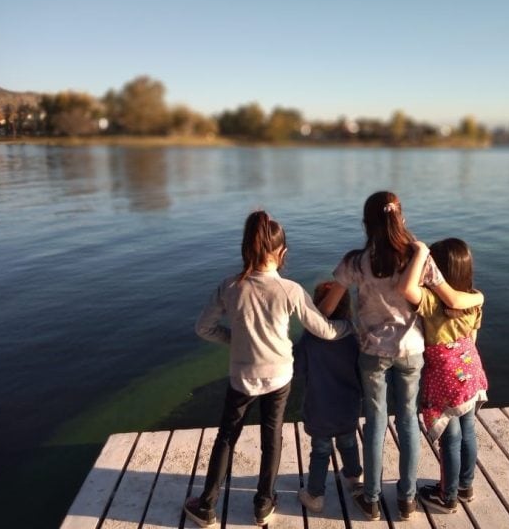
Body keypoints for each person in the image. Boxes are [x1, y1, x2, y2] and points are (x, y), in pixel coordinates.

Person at [318, 191, 485, 521]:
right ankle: (407, 500)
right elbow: (451, 298)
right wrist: (479, 297)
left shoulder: (354, 262)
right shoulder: (418, 259)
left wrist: (331, 322)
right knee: (408, 421)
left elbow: (326, 308)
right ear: (401, 219)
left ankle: (372, 499)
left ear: (367, 224)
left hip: (372, 354)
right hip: (412, 352)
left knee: (377, 424)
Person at [183, 211, 353, 528]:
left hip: (242, 378)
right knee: (271, 438)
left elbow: (203, 329)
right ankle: (263, 503)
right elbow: (324, 331)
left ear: (246, 248)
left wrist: (233, 339)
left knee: (226, 438)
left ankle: (206, 505)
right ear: (282, 253)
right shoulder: (290, 290)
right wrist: (348, 326)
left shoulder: (229, 287)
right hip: (279, 377)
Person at [398, 238, 488, 514]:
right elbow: (473, 335)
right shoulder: (473, 298)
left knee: (451, 437)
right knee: (468, 429)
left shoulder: (431, 300)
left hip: (446, 377)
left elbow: (407, 289)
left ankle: (447, 496)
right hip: (471, 369)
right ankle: (465, 485)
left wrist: (419, 256)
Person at [294, 282, 363, 513]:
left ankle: (315, 495)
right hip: (348, 406)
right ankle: (354, 478)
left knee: (321, 450)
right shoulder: (354, 336)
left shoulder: (310, 340)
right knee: (349, 442)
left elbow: (298, 369)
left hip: (319, 407)